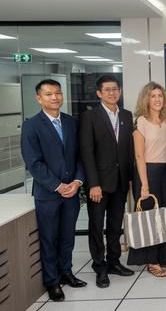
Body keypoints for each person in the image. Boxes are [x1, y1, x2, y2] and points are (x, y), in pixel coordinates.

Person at [21, 79, 87, 302]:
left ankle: (66, 272)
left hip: (72, 191)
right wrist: (58, 186)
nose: (55, 98)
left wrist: (77, 182)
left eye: (57, 93)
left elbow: (80, 156)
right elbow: (34, 163)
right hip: (48, 194)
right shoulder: (31, 125)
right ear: (39, 98)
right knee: (49, 239)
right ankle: (52, 281)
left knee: (67, 236)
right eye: (48, 94)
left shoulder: (71, 122)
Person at [79, 75, 135, 288]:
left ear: (119, 92)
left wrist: (130, 179)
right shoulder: (90, 117)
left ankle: (114, 261)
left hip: (120, 182)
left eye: (115, 89)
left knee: (114, 225)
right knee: (96, 225)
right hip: (99, 185)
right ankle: (99, 266)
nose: (112, 93)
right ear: (99, 94)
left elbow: (128, 152)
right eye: (107, 90)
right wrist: (93, 183)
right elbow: (87, 152)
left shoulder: (127, 116)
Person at [127, 82, 166, 277]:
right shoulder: (140, 121)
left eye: (160, 95)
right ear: (145, 99)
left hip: (165, 172)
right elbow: (139, 155)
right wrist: (144, 185)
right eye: (153, 96)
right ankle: (152, 260)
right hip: (146, 172)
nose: (157, 99)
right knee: (150, 217)